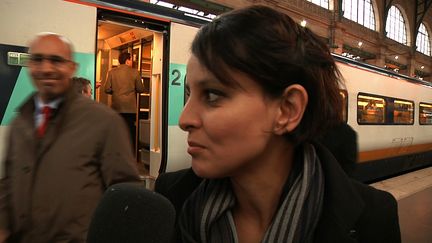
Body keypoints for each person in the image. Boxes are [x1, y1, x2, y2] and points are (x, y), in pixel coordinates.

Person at [155, 5, 400, 243]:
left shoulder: (372, 219)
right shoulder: (170, 199)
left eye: (213, 95)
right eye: (189, 95)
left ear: (287, 110)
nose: (185, 119)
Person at [0, 32, 140, 243]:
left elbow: (127, 194)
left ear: (71, 68)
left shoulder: (104, 121)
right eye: (38, 60)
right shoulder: (20, 123)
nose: (46, 68)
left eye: (56, 60)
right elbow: (8, 181)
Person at [104, 52, 145, 150]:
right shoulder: (135, 72)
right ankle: (129, 152)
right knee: (129, 131)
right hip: (130, 108)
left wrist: (116, 92)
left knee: (117, 130)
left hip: (116, 107)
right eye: (131, 59)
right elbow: (140, 89)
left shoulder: (111, 72)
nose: (132, 62)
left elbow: (106, 89)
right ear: (127, 60)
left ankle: (116, 151)